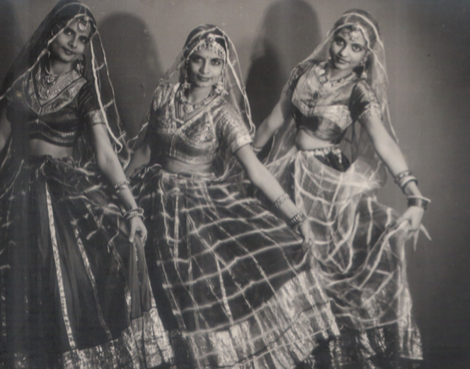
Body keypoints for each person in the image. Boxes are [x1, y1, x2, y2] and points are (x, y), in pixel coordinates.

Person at [0, 1, 172, 367]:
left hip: (64, 194)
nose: (73, 42)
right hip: (16, 192)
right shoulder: (21, 84)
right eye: (68, 32)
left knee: (66, 282)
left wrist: (132, 208)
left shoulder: (82, 91)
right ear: (51, 30)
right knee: (13, 282)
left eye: (82, 39)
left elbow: (106, 157)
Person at [126, 24, 339, 369]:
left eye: (214, 63)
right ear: (186, 59)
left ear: (224, 68)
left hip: (196, 213)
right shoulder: (163, 96)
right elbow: (144, 151)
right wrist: (120, 194)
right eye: (198, 60)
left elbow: (256, 171)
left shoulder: (224, 113)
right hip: (151, 201)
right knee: (154, 298)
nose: (205, 70)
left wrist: (296, 217)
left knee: (197, 301)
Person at [253, 9, 428, 368]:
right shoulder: (304, 72)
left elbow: (383, 142)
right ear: (330, 38)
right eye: (340, 41)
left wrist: (414, 194)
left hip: (328, 182)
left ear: (366, 56)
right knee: (282, 269)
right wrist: (244, 161)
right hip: (289, 172)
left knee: (327, 272)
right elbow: (272, 122)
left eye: (356, 47)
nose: (343, 51)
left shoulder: (358, 91)